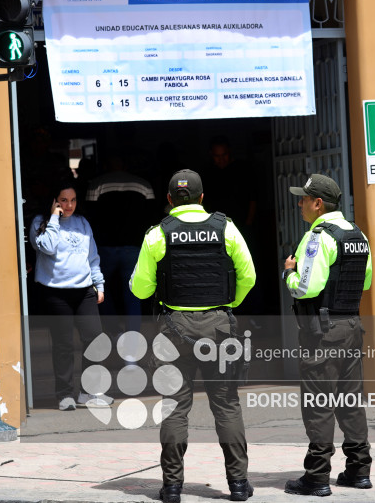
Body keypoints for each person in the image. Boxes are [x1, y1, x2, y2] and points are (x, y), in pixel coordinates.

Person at [129, 169, 256, 503]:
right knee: (226, 405)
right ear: (202, 197)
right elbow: (249, 276)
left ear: (169, 199)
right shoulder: (226, 228)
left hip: (175, 329)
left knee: (174, 408)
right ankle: (238, 485)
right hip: (219, 327)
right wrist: (228, 306)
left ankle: (172, 488)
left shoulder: (158, 234)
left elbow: (140, 289)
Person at [281, 174, 372, 497]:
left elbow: (307, 288)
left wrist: (289, 273)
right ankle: (359, 470)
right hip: (351, 327)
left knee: (319, 403)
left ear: (318, 203)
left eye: (304, 199)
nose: (299, 204)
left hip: (323, 332)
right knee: (350, 401)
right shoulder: (358, 234)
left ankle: (317, 477)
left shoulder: (318, 237)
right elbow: (365, 282)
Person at [30, 178, 111, 410]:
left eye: (73, 200)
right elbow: (47, 247)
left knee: (95, 340)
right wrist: (54, 218)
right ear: (54, 201)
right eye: (63, 200)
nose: (69, 205)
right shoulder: (40, 222)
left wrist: (99, 284)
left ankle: (90, 392)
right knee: (63, 345)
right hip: (56, 292)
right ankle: (64, 394)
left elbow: (92, 257)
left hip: (84, 290)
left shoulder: (82, 223)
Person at [85, 152, 156, 339]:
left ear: (106, 166)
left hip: (105, 247)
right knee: (133, 292)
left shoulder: (97, 184)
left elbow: (90, 217)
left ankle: (114, 330)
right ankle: (133, 338)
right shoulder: (143, 185)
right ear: (125, 165)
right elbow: (151, 217)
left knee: (100, 288)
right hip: (133, 247)